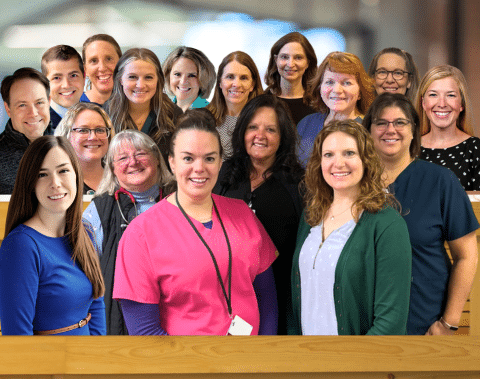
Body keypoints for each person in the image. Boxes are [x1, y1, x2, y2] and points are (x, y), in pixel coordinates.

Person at [113, 109, 278, 335]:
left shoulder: (243, 215)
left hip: (248, 361)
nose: (199, 168)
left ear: (220, 163)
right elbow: (145, 333)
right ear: (171, 163)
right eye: (188, 158)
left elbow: (267, 299)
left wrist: (262, 358)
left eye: (209, 158)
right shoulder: (141, 233)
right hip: (186, 366)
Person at [363, 93, 479, 335]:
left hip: (423, 325)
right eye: (381, 123)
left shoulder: (440, 181)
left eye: (400, 122)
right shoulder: (356, 184)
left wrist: (448, 323)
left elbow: (467, 256)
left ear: (414, 130)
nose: (390, 130)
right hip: (363, 327)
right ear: (368, 131)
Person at [290, 119, 412, 335]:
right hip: (306, 359)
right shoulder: (311, 216)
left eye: (349, 153)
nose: (338, 163)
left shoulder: (388, 225)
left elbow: (390, 323)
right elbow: (297, 300)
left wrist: (355, 365)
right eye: (329, 155)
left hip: (356, 363)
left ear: (366, 160)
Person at [214, 94, 304, 334]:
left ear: (283, 136)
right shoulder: (223, 174)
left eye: (271, 129)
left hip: (281, 301)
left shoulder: (299, 184)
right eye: (253, 127)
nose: (260, 136)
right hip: (225, 301)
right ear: (242, 131)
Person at [0, 135, 106, 335]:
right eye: (42, 174)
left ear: (76, 174)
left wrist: (97, 362)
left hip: (88, 361)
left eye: (63, 171)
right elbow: (17, 336)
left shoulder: (86, 233)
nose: (55, 183)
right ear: (30, 183)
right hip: (49, 364)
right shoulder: (21, 246)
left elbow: (96, 305)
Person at [83, 130, 172, 335]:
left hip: (175, 308)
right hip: (120, 314)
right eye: (122, 158)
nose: (132, 162)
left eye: (140, 153)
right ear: (113, 169)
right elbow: (84, 269)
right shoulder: (99, 210)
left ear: (157, 159)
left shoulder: (180, 198)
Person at [297, 52, 375, 166]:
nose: (337, 90)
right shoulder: (306, 124)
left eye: (346, 83)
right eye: (329, 82)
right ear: (320, 87)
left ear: (359, 92)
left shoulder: (370, 130)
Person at [107, 48, 181, 164]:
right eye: (132, 77)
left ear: (158, 80)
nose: (140, 85)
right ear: (120, 79)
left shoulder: (175, 115)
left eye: (148, 77)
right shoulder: (104, 115)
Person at [417, 65, 480, 190]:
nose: (442, 104)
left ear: (461, 104)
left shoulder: (475, 149)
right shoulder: (408, 148)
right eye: (433, 95)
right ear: (423, 103)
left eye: (450, 95)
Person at [0, 68, 51, 194]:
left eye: (39, 102)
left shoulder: (69, 146)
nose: (33, 113)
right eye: (22, 105)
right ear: (8, 109)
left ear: (49, 102)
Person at [206, 51, 264, 158]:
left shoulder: (265, 121)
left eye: (243, 78)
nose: (236, 84)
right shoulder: (202, 120)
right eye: (230, 77)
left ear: (252, 85)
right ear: (220, 82)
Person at [55, 102, 112, 194]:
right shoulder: (57, 183)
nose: (93, 137)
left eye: (100, 130)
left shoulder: (121, 178)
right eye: (83, 130)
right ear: (67, 136)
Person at [264, 32, 317, 125]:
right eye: (284, 57)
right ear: (276, 60)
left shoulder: (317, 104)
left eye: (298, 58)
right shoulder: (261, 101)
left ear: (307, 63)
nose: (290, 64)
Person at [41, 45, 86, 129]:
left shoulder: (102, 114)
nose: (66, 85)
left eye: (73, 75)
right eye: (57, 78)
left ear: (84, 77)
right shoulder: (36, 124)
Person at [163, 46, 216, 112]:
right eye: (177, 74)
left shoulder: (213, 116)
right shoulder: (161, 113)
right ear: (168, 76)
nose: (183, 82)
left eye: (191, 75)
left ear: (204, 78)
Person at [81, 34, 122, 105]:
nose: (102, 68)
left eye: (109, 59)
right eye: (94, 61)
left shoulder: (135, 105)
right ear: (85, 69)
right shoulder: (72, 107)